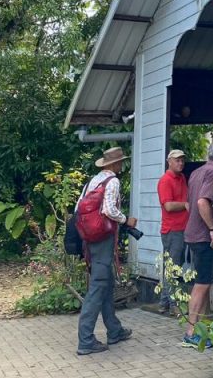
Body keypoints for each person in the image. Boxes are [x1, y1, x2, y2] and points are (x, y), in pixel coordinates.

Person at [76, 146, 136, 356]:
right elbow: (109, 210)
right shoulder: (112, 181)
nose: (122, 164)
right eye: (120, 161)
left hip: (91, 239)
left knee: (107, 282)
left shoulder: (92, 182)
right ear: (114, 164)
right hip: (103, 239)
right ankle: (85, 340)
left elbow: (78, 209)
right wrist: (125, 219)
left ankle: (114, 330)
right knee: (98, 286)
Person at [182, 139, 213, 346]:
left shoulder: (195, 172)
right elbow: (201, 202)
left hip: (191, 233)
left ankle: (200, 328)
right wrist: (212, 229)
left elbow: (190, 203)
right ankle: (191, 332)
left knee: (204, 281)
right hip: (203, 235)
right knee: (202, 284)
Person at [157, 148, 189, 315]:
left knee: (174, 265)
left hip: (181, 228)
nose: (180, 163)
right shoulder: (165, 180)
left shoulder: (182, 177)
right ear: (169, 161)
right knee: (173, 267)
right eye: (177, 160)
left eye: (182, 160)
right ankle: (174, 304)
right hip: (171, 230)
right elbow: (168, 206)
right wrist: (185, 204)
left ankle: (163, 303)